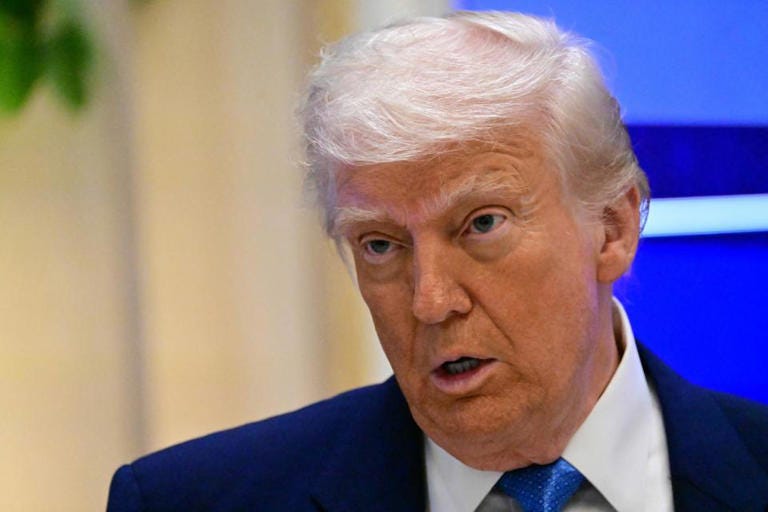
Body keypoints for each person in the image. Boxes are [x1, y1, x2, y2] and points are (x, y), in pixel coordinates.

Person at [107, 11, 768, 512]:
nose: (430, 300)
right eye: (381, 245)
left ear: (614, 228)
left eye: (481, 224)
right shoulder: (188, 500)